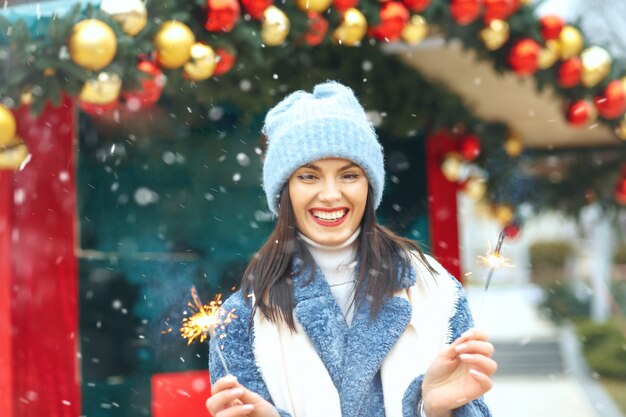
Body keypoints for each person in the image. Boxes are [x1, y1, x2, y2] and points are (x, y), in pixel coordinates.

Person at [206, 81, 496, 417]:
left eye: (348, 175)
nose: (330, 194)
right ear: (283, 190)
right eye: (309, 176)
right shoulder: (243, 316)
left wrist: (436, 409)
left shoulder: (434, 288)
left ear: (369, 185)